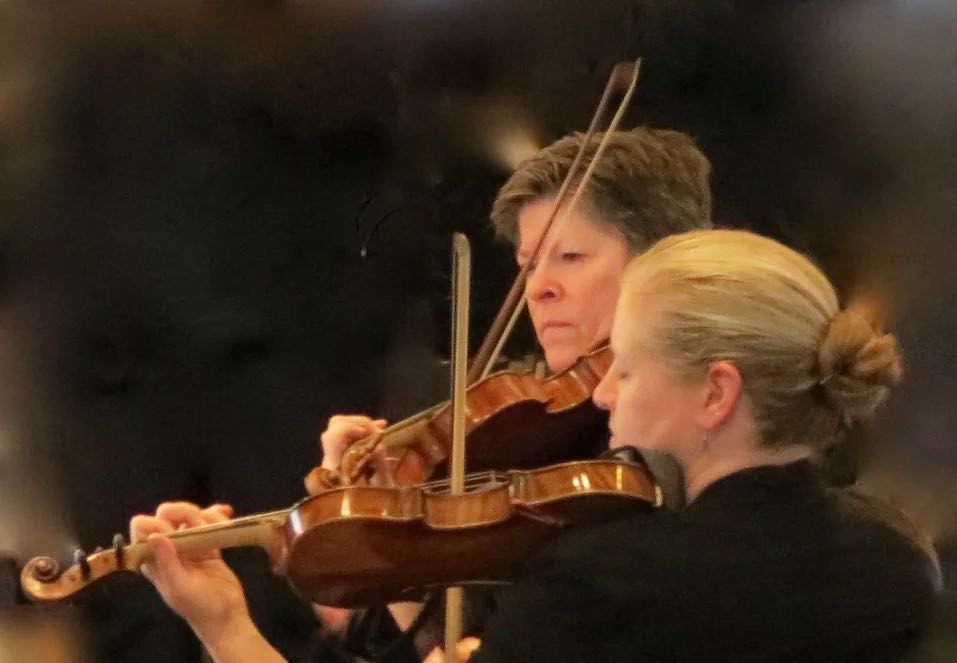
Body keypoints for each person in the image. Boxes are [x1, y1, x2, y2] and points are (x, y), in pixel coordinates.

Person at [129, 126, 715, 661]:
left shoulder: (680, 462)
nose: (539, 290)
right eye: (527, 266)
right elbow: (432, 646)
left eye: (571, 257)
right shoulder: (520, 427)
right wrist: (389, 540)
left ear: (664, 264)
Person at [462, 229, 938, 662]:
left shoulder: (595, 587)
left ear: (716, 394)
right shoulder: (894, 562)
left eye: (625, 370)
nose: (603, 393)